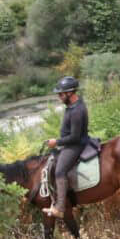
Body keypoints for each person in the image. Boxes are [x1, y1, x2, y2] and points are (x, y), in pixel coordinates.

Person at [43, 76, 87, 219]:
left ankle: (60, 208)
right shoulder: (73, 106)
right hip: (71, 142)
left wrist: (56, 142)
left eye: (61, 94)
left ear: (70, 93)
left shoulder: (77, 111)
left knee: (60, 171)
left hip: (75, 145)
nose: (59, 97)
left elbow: (74, 137)